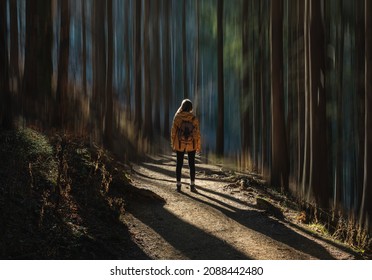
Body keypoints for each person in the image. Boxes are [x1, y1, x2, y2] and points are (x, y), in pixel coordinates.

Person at [171, 99, 201, 192]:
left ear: (182, 106)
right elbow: (197, 133)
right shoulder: (194, 118)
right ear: (191, 108)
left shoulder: (177, 117)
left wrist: (173, 143)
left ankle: (178, 185)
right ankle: (192, 185)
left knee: (179, 164)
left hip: (180, 144)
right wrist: (198, 145)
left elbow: (173, 132)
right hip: (191, 144)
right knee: (192, 164)